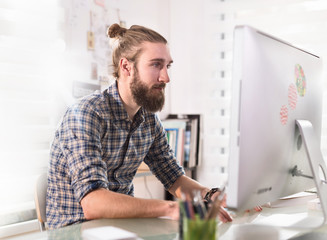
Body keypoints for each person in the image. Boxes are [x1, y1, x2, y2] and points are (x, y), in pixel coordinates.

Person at [46, 23, 233, 230]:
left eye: (167, 66)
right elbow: (93, 203)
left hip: (121, 229)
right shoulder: (86, 114)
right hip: (74, 232)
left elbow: (174, 178)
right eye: (156, 65)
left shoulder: (149, 121)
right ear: (126, 67)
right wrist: (172, 209)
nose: (166, 77)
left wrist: (211, 195)